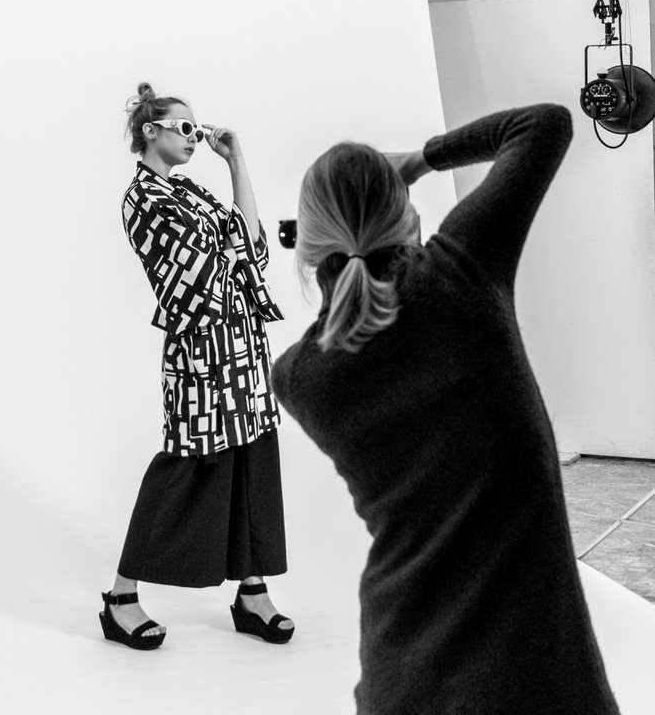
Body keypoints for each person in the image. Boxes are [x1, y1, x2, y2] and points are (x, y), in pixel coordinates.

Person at [269, 103, 621, 714]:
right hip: (536, 674)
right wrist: (422, 159)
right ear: (406, 218)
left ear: (305, 246)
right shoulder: (460, 274)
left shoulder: (298, 377)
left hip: (400, 672)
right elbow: (543, 126)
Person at [99, 81, 294, 650]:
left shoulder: (190, 191)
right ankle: (119, 598)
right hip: (199, 348)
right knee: (184, 464)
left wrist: (236, 162)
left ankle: (252, 593)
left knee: (253, 457)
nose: (194, 137)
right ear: (150, 131)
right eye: (184, 127)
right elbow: (203, 268)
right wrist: (233, 246)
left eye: (196, 128)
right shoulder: (144, 198)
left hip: (242, 342)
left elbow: (254, 247)